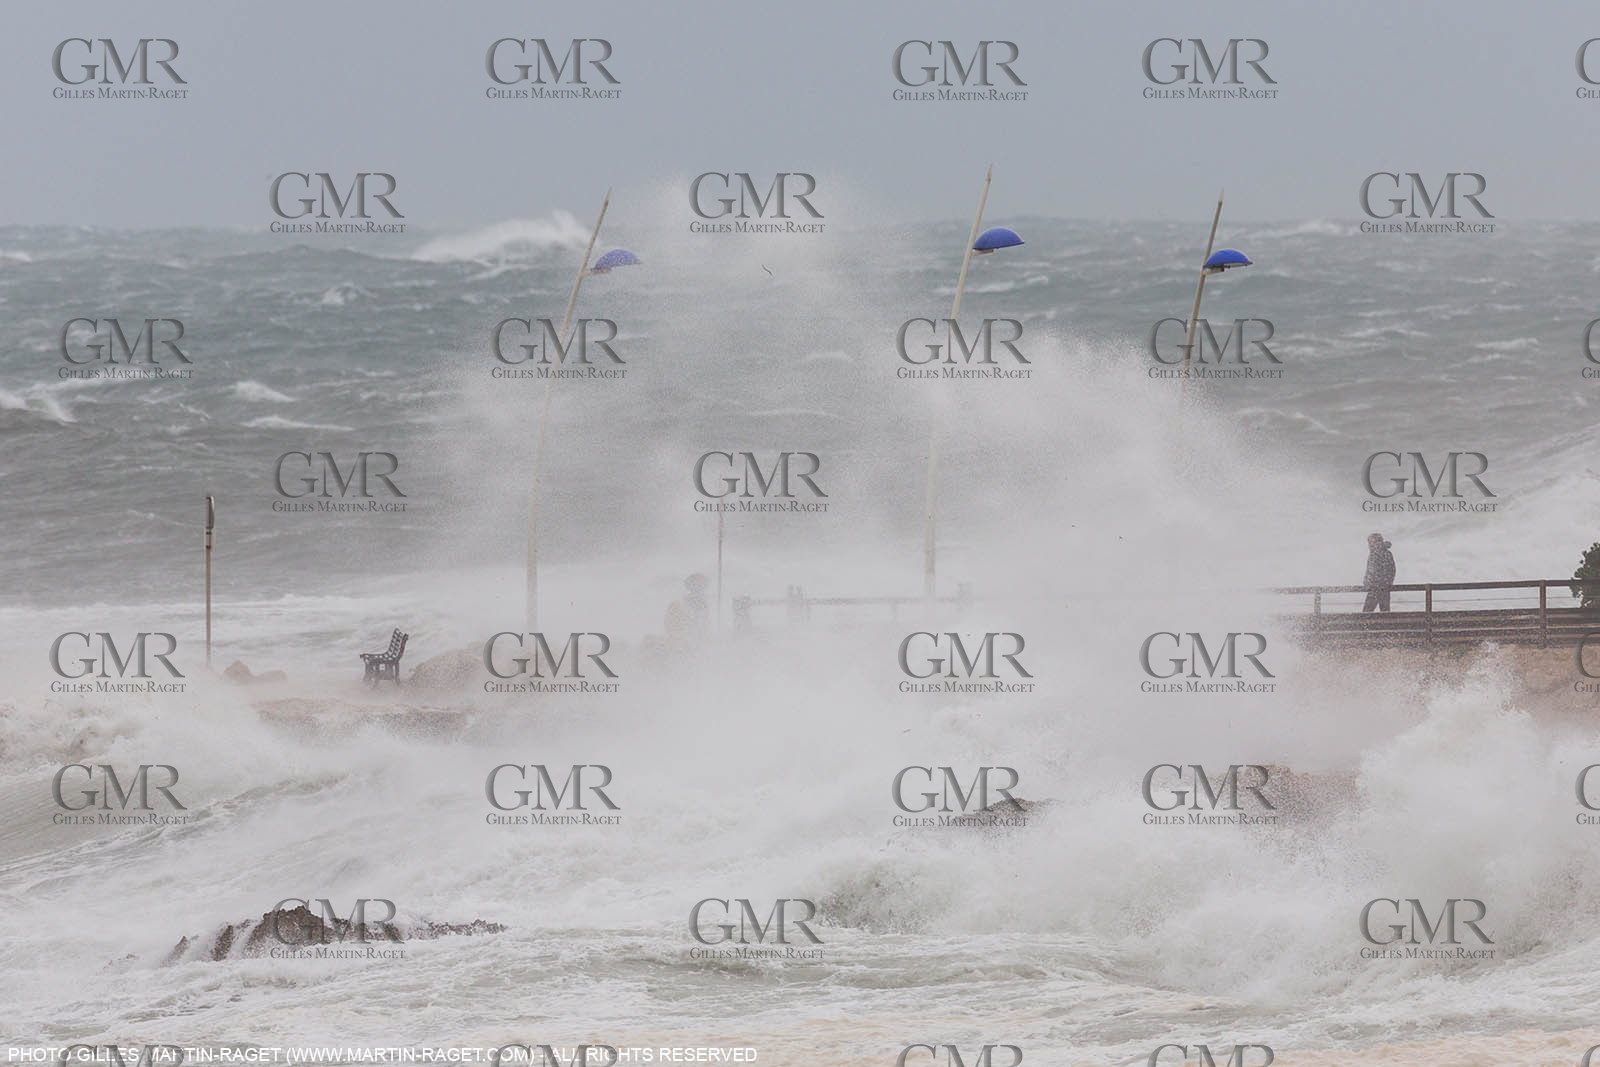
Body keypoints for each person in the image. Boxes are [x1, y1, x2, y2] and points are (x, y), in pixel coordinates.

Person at [1362, 533, 1396, 613]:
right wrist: (1388, 583)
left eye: (1371, 542)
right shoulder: (1385, 553)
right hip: (1383, 587)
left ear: (1378, 542)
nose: (1369, 545)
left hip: (1375, 588)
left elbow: (1372, 571)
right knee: (1384, 612)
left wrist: (1368, 581)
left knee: (1366, 613)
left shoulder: (1376, 554)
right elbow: (1392, 570)